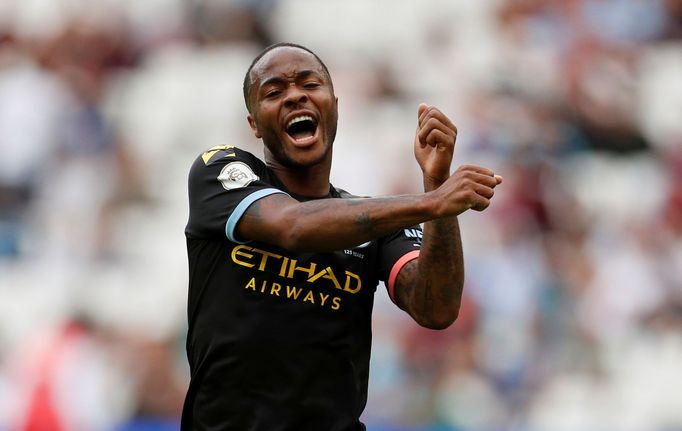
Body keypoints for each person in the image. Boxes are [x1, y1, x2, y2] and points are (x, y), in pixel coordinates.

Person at [182, 42, 502, 431]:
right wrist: (432, 201)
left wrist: (435, 184)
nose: (295, 95)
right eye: (273, 91)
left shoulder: (378, 220)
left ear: (334, 105)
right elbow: (293, 225)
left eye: (308, 84)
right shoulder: (220, 171)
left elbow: (436, 309)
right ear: (253, 123)